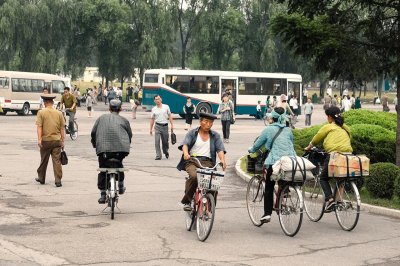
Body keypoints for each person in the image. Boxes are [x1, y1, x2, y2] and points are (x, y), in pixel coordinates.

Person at [248, 107, 296, 223]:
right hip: (290, 161)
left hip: (274, 161)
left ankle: (267, 214)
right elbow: (291, 143)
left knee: (269, 186)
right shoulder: (288, 129)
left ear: (272, 118)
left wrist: (251, 150)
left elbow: (258, 144)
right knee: (283, 180)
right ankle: (284, 192)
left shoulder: (268, 130)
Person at [304, 106, 352, 212]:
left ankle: (330, 200)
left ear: (330, 117)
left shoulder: (329, 126)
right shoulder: (346, 128)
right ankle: (339, 201)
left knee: (323, 178)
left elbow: (317, 137)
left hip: (335, 155)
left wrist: (308, 147)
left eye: (327, 117)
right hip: (348, 155)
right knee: (341, 178)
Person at [177, 112, 227, 211]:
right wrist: (186, 153)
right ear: (200, 122)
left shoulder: (215, 135)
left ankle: (209, 208)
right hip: (192, 161)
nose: (208, 124)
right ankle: (187, 201)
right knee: (195, 177)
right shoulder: (192, 133)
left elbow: (220, 149)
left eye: (211, 122)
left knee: (213, 183)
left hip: (208, 162)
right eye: (206, 121)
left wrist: (222, 160)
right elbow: (185, 144)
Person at [91, 99, 132, 204]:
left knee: (103, 169)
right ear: (121, 109)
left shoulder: (101, 118)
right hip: (121, 149)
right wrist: (127, 145)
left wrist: (95, 144)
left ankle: (103, 194)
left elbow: (93, 132)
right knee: (119, 165)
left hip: (103, 150)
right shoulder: (124, 120)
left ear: (109, 108)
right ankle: (121, 184)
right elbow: (129, 135)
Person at [35, 94, 65, 187]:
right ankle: (58, 180)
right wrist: (62, 141)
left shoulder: (41, 113)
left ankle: (41, 178)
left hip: (46, 141)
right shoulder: (59, 113)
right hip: (56, 141)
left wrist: (39, 139)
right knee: (57, 161)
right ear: (52, 103)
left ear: (45, 103)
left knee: (44, 160)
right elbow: (62, 128)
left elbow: (39, 127)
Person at [150, 95, 174, 160]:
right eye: (156, 99)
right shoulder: (153, 109)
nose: (158, 100)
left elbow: (170, 116)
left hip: (165, 126)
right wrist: (150, 129)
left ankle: (166, 151)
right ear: (154, 101)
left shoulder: (166, 107)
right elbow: (152, 119)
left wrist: (172, 125)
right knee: (157, 141)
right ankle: (158, 155)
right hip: (157, 126)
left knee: (165, 142)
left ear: (161, 99)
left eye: (158, 99)